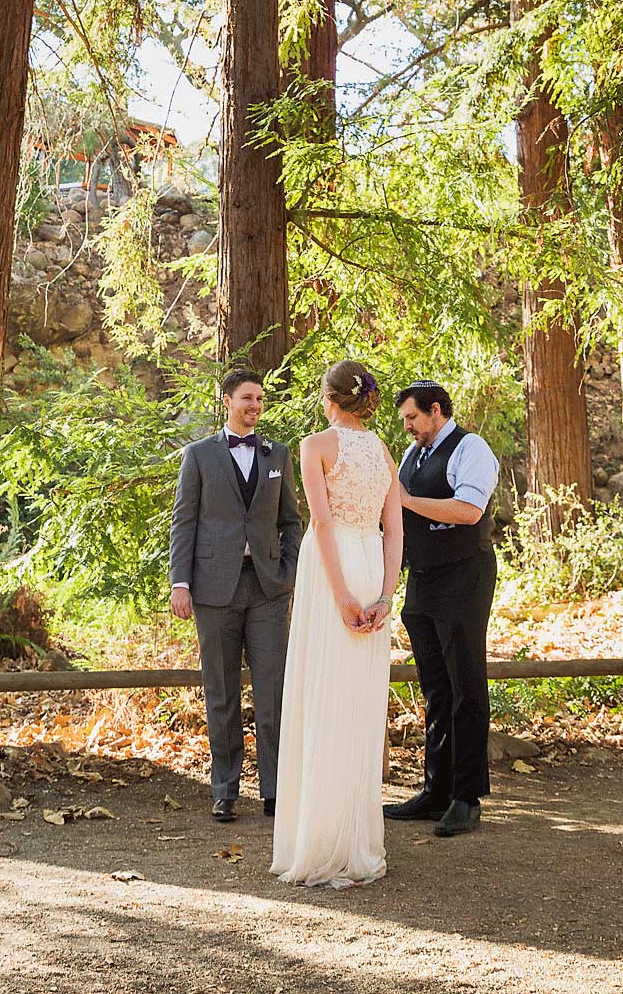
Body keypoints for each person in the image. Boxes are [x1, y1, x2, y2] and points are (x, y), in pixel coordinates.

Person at [270, 360, 403, 889]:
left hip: (333, 568)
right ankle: (354, 841)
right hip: (371, 561)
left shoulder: (314, 446)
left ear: (328, 398)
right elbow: (394, 528)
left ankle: (320, 842)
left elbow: (322, 523)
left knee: (324, 693)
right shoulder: (383, 450)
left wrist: (344, 595)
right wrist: (386, 593)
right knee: (358, 701)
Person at [169, 366, 302, 822]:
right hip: (212, 588)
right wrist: (180, 583)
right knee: (221, 691)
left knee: (273, 690)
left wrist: (287, 572)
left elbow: (291, 522)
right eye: (247, 398)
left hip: (267, 588)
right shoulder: (198, 455)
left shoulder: (277, 455)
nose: (255, 406)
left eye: (260, 399)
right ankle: (225, 788)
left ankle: (275, 788)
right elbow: (184, 521)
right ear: (227, 401)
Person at [384, 379, 499, 838]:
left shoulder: (471, 447)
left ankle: (467, 798)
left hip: (464, 577)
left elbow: (469, 510)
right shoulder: (415, 454)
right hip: (424, 581)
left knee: (466, 685)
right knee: (435, 689)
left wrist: (406, 501)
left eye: (412, 417)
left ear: (435, 410)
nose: (407, 426)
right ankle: (436, 790)